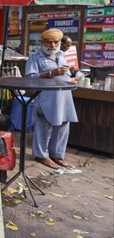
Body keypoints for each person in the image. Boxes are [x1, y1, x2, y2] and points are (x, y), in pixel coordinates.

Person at [25, 28, 77, 169]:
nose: (53, 45)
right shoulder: (35, 57)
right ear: (43, 42)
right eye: (49, 42)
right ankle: (42, 155)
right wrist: (50, 73)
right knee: (43, 125)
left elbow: (66, 73)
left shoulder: (62, 55)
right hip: (46, 97)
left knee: (63, 125)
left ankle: (57, 155)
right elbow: (30, 78)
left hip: (64, 96)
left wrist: (71, 77)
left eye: (56, 42)